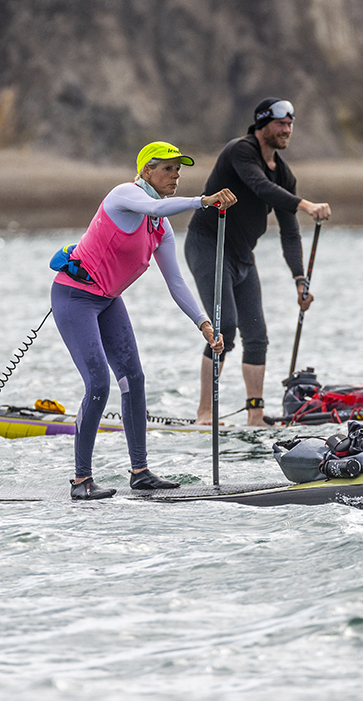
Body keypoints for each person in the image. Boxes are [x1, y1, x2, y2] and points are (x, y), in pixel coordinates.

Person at [52, 141, 238, 500]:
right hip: (74, 297)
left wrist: (203, 324)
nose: (176, 175)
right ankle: (81, 481)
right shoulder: (125, 195)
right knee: (98, 383)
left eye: (179, 169)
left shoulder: (160, 228)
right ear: (147, 171)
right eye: (168, 168)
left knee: (134, 378)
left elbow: (176, 283)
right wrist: (203, 201)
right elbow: (155, 205)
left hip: (107, 300)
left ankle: (140, 473)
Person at [185, 97, 331, 427]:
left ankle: (255, 415)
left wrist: (299, 279)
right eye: (281, 124)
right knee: (226, 330)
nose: (287, 129)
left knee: (257, 338)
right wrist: (306, 204)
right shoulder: (241, 151)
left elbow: (290, 233)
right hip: (209, 246)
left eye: (290, 124)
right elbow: (258, 186)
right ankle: (204, 413)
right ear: (262, 125)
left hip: (242, 256)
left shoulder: (285, 175)